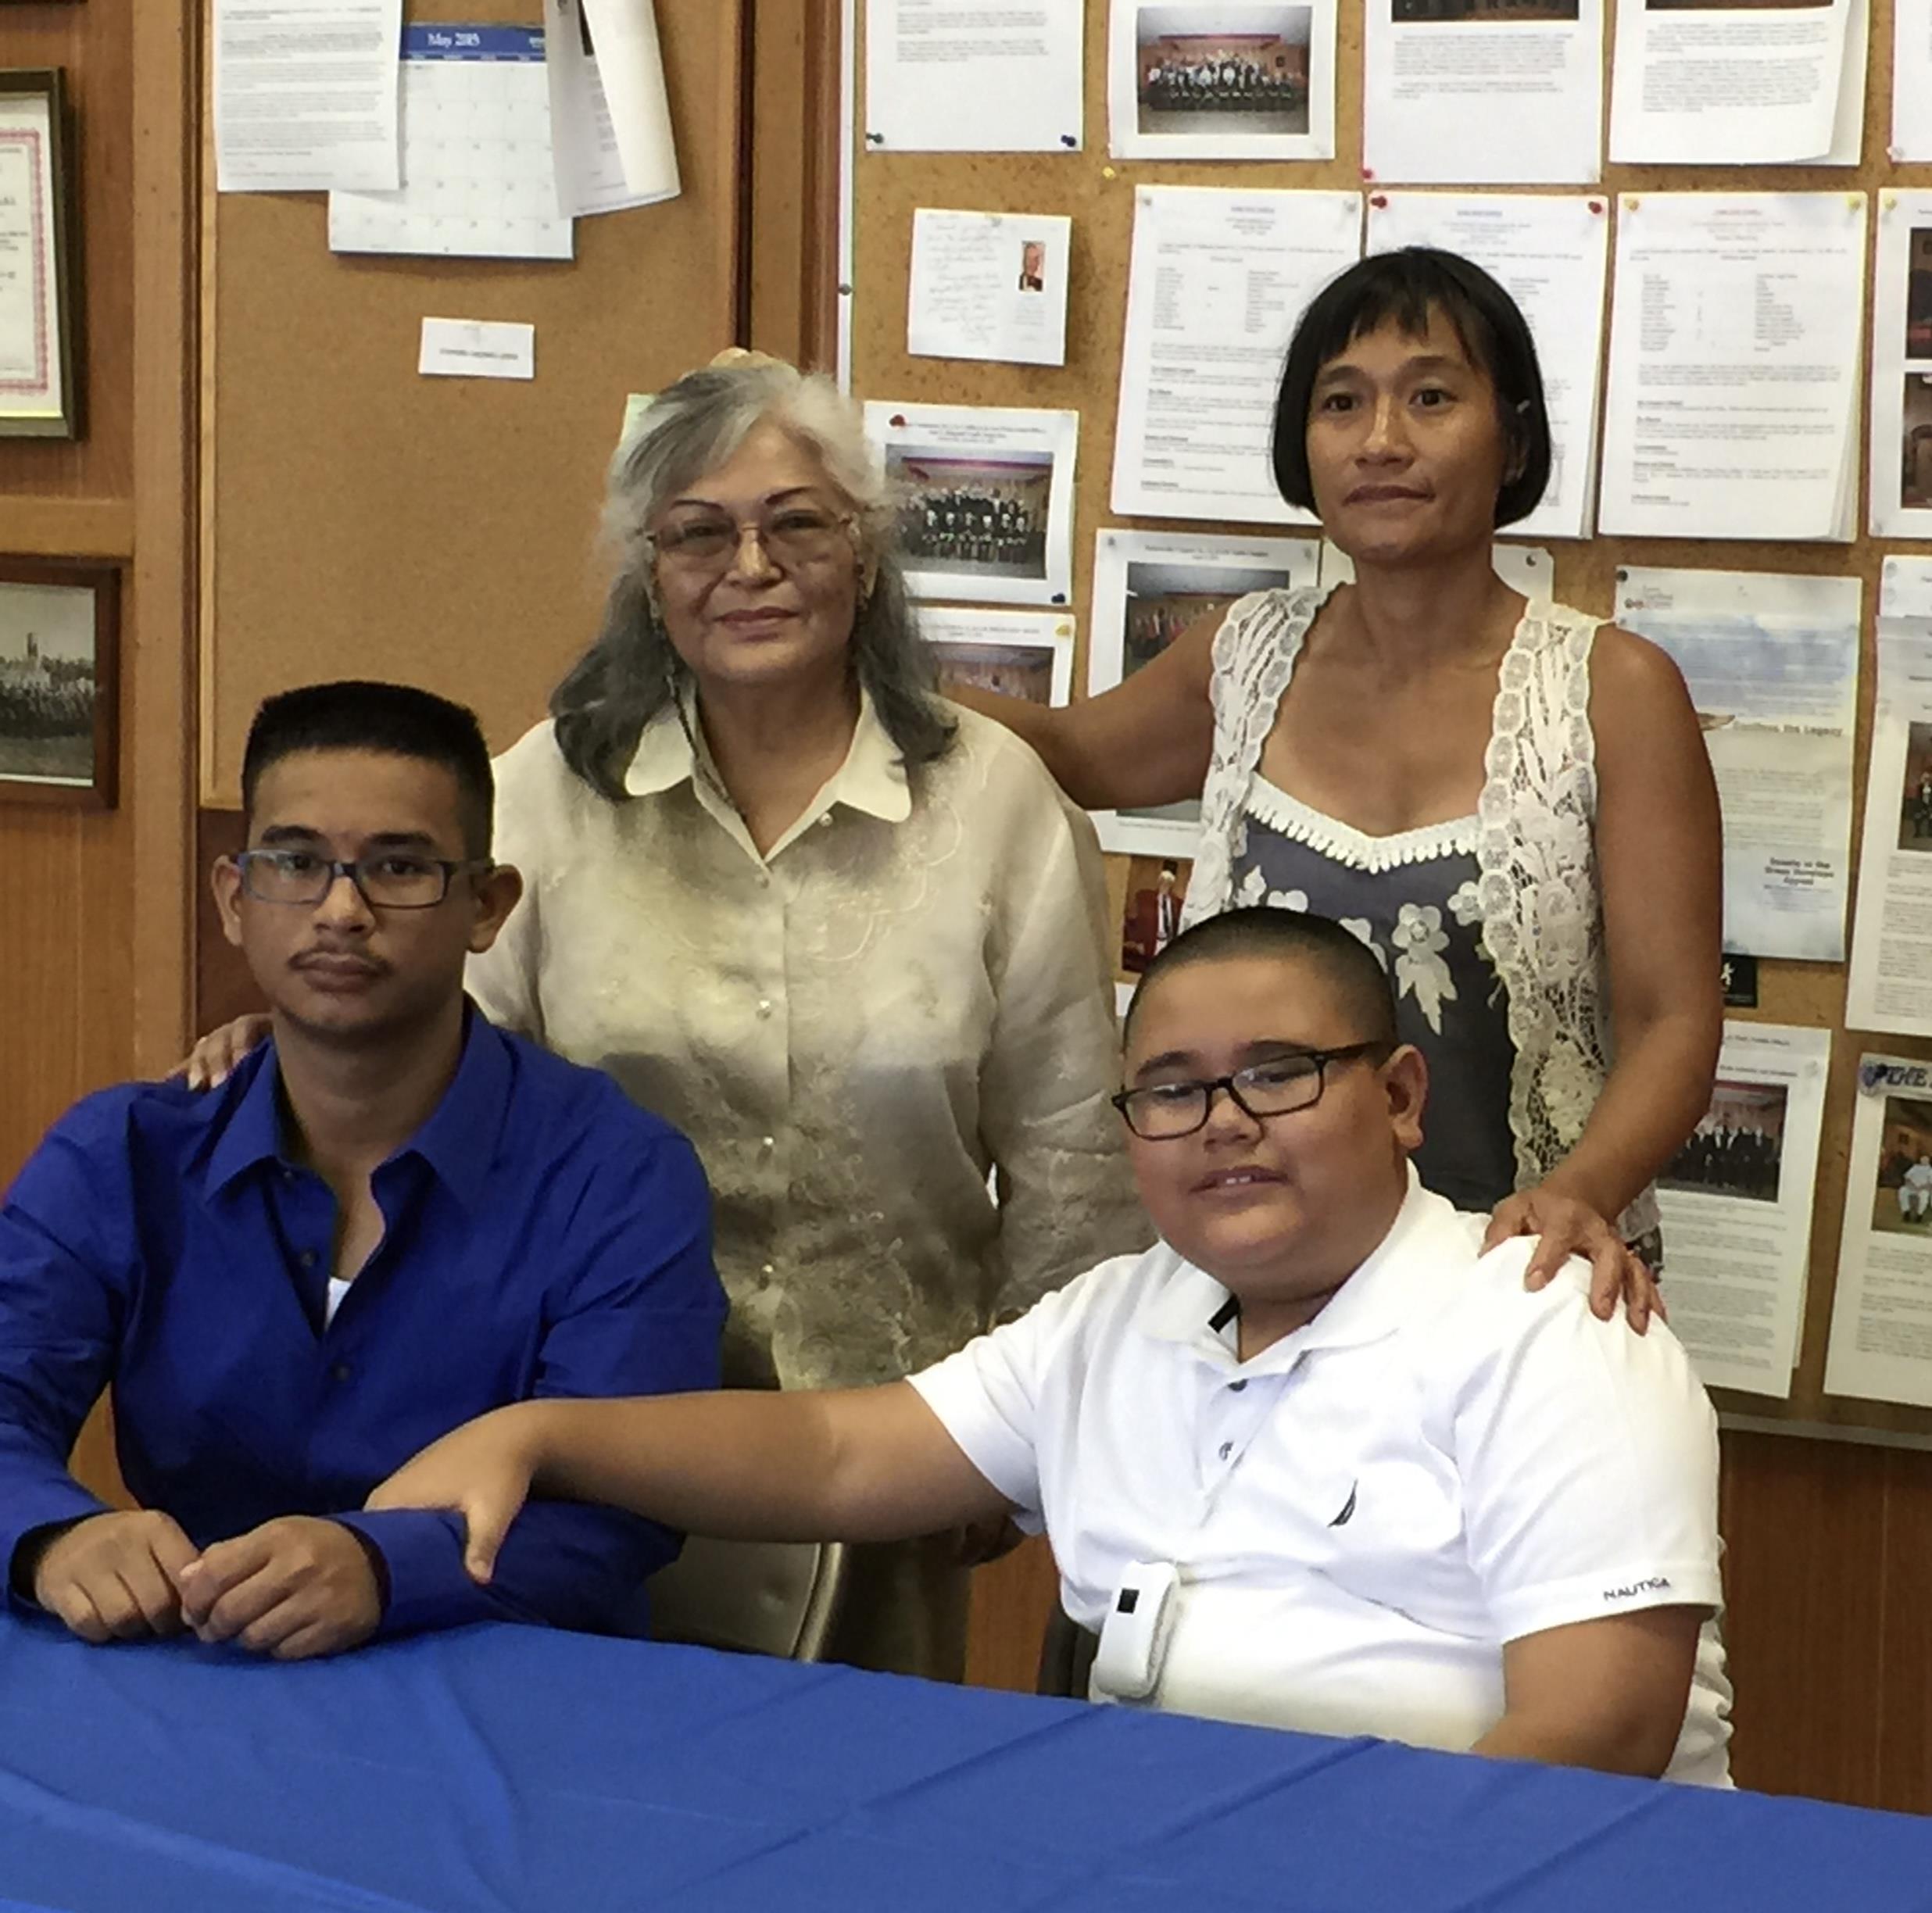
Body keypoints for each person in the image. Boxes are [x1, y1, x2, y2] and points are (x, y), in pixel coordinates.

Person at [184, 356, 1141, 1680]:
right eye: (699, 530)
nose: (750, 563)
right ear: (647, 570)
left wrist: (1028, 1428)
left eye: (797, 521)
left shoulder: (995, 804)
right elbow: (418, 1054)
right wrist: (266, 1052)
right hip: (571, 1429)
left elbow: (1073, 1159)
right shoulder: (545, 791)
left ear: (863, 555)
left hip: (885, 1446)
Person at [370, 910, 1732, 1784]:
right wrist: (540, 1433)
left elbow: (1595, 1731)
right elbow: (846, 1451)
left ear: (1397, 1095)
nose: (1223, 1120)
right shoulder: (1118, 1313)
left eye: (1277, 1071)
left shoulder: (1547, 1322)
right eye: (1172, 1089)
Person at [948, 248, 1721, 1298]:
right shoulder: (1244, 653)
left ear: (1515, 437)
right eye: (1342, 403)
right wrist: (847, 672)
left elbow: (1675, 1020)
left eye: (1433, 397)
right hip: (1262, 1285)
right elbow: (1071, 755)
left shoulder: (1612, 690)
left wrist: (1576, 1195)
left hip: (1522, 1280)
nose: (1383, 441)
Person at [0, 683, 724, 1659]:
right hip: (196, 1680)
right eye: (296, 864)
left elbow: (624, 1507)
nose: (343, 911)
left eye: (400, 867)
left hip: (512, 1700)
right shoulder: (122, 1156)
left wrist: (384, 1568)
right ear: (234, 899)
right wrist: (53, 1537)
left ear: (486, 905)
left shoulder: (618, 1177)